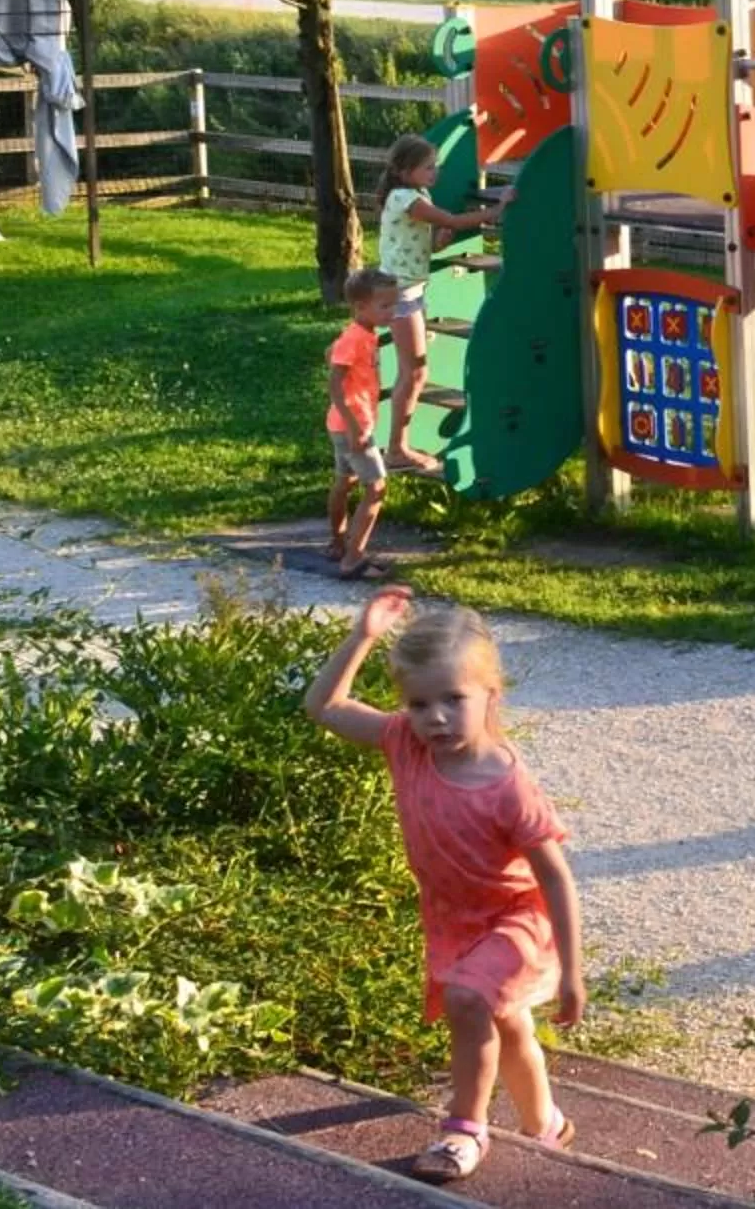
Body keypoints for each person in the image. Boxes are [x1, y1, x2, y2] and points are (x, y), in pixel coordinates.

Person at [305, 589, 587, 1182]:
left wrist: (574, 972)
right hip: (455, 918)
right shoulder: (404, 743)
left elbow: (555, 879)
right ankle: (546, 1126)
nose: (434, 717)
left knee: (467, 999)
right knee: (506, 1024)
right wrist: (363, 636)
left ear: (490, 695)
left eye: (453, 700)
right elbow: (324, 707)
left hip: (518, 918)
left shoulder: (507, 785)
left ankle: (464, 1131)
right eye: (419, 702)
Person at [376, 136, 499, 474]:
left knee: (413, 371)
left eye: (436, 166)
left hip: (409, 289)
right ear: (405, 171)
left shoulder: (415, 196)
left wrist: (438, 238)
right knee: (415, 372)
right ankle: (397, 450)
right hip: (401, 293)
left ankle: (398, 447)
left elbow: (424, 242)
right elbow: (455, 221)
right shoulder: (406, 198)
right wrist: (497, 211)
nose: (435, 172)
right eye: (428, 167)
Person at [325, 267, 399, 577]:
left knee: (345, 482)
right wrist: (357, 428)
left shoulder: (360, 335)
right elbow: (335, 386)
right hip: (353, 427)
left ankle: (338, 544)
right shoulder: (355, 338)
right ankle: (353, 560)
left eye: (393, 304)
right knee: (377, 488)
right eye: (385, 306)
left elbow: (332, 353)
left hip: (343, 426)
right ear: (360, 307)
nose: (391, 311)